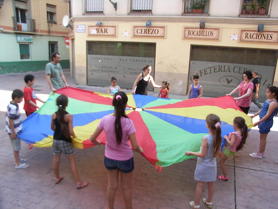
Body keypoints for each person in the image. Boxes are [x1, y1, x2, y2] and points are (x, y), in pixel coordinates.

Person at [89, 91, 143, 209]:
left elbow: (92, 139)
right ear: (125, 105)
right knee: (126, 187)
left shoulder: (105, 120)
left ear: (113, 103)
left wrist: (99, 143)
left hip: (109, 158)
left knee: (111, 186)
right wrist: (141, 150)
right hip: (125, 159)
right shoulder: (129, 122)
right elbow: (135, 146)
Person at [51, 94, 88, 189]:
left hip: (55, 140)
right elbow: (71, 132)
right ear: (66, 104)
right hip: (65, 141)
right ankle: (78, 183)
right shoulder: (69, 116)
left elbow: (52, 128)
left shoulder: (54, 115)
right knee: (72, 161)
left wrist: (58, 128)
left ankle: (56, 178)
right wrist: (76, 138)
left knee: (56, 159)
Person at [186, 114, 221, 209]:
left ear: (208, 125)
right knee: (211, 183)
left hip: (203, 165)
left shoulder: (206, 138)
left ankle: (196, 204)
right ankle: (209, 202)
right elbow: (217, 154)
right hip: (212, 164)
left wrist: (191, 153)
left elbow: (202, 154)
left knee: (200, 184)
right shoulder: (218, 137)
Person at [249, 86, 278, 159]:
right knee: (262, 138)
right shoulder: (268, 100)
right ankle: (260, 153)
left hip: (266, 122)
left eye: (268, 92)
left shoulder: (273, 103)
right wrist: (254, 115)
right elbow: (262, 110)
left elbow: (267, 115)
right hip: (263, 121)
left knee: (263, 139)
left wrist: (258, 122)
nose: (266, 93)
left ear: (273, 93)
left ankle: (260, 153)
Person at [218, 117, 248, 181]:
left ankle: (225, 176)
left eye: (233, 123)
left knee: (221, 162)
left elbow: (231, 143)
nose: (232, 125)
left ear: (236, 125)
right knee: (220, 157)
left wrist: (226, 137)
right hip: (231, 150)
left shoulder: (234, 134)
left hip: (228, 150)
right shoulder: (241, 132)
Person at [5, 89, 29, 169]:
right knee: (16, 147)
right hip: (13, 131)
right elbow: (11, 120)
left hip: (15, 129)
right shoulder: (13, 108)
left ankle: (18, 159)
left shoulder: (12, 104)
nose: (22, 100)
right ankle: (17, 164)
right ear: (15, 98)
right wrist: (13, 132)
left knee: (17, 146)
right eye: (21, 98)